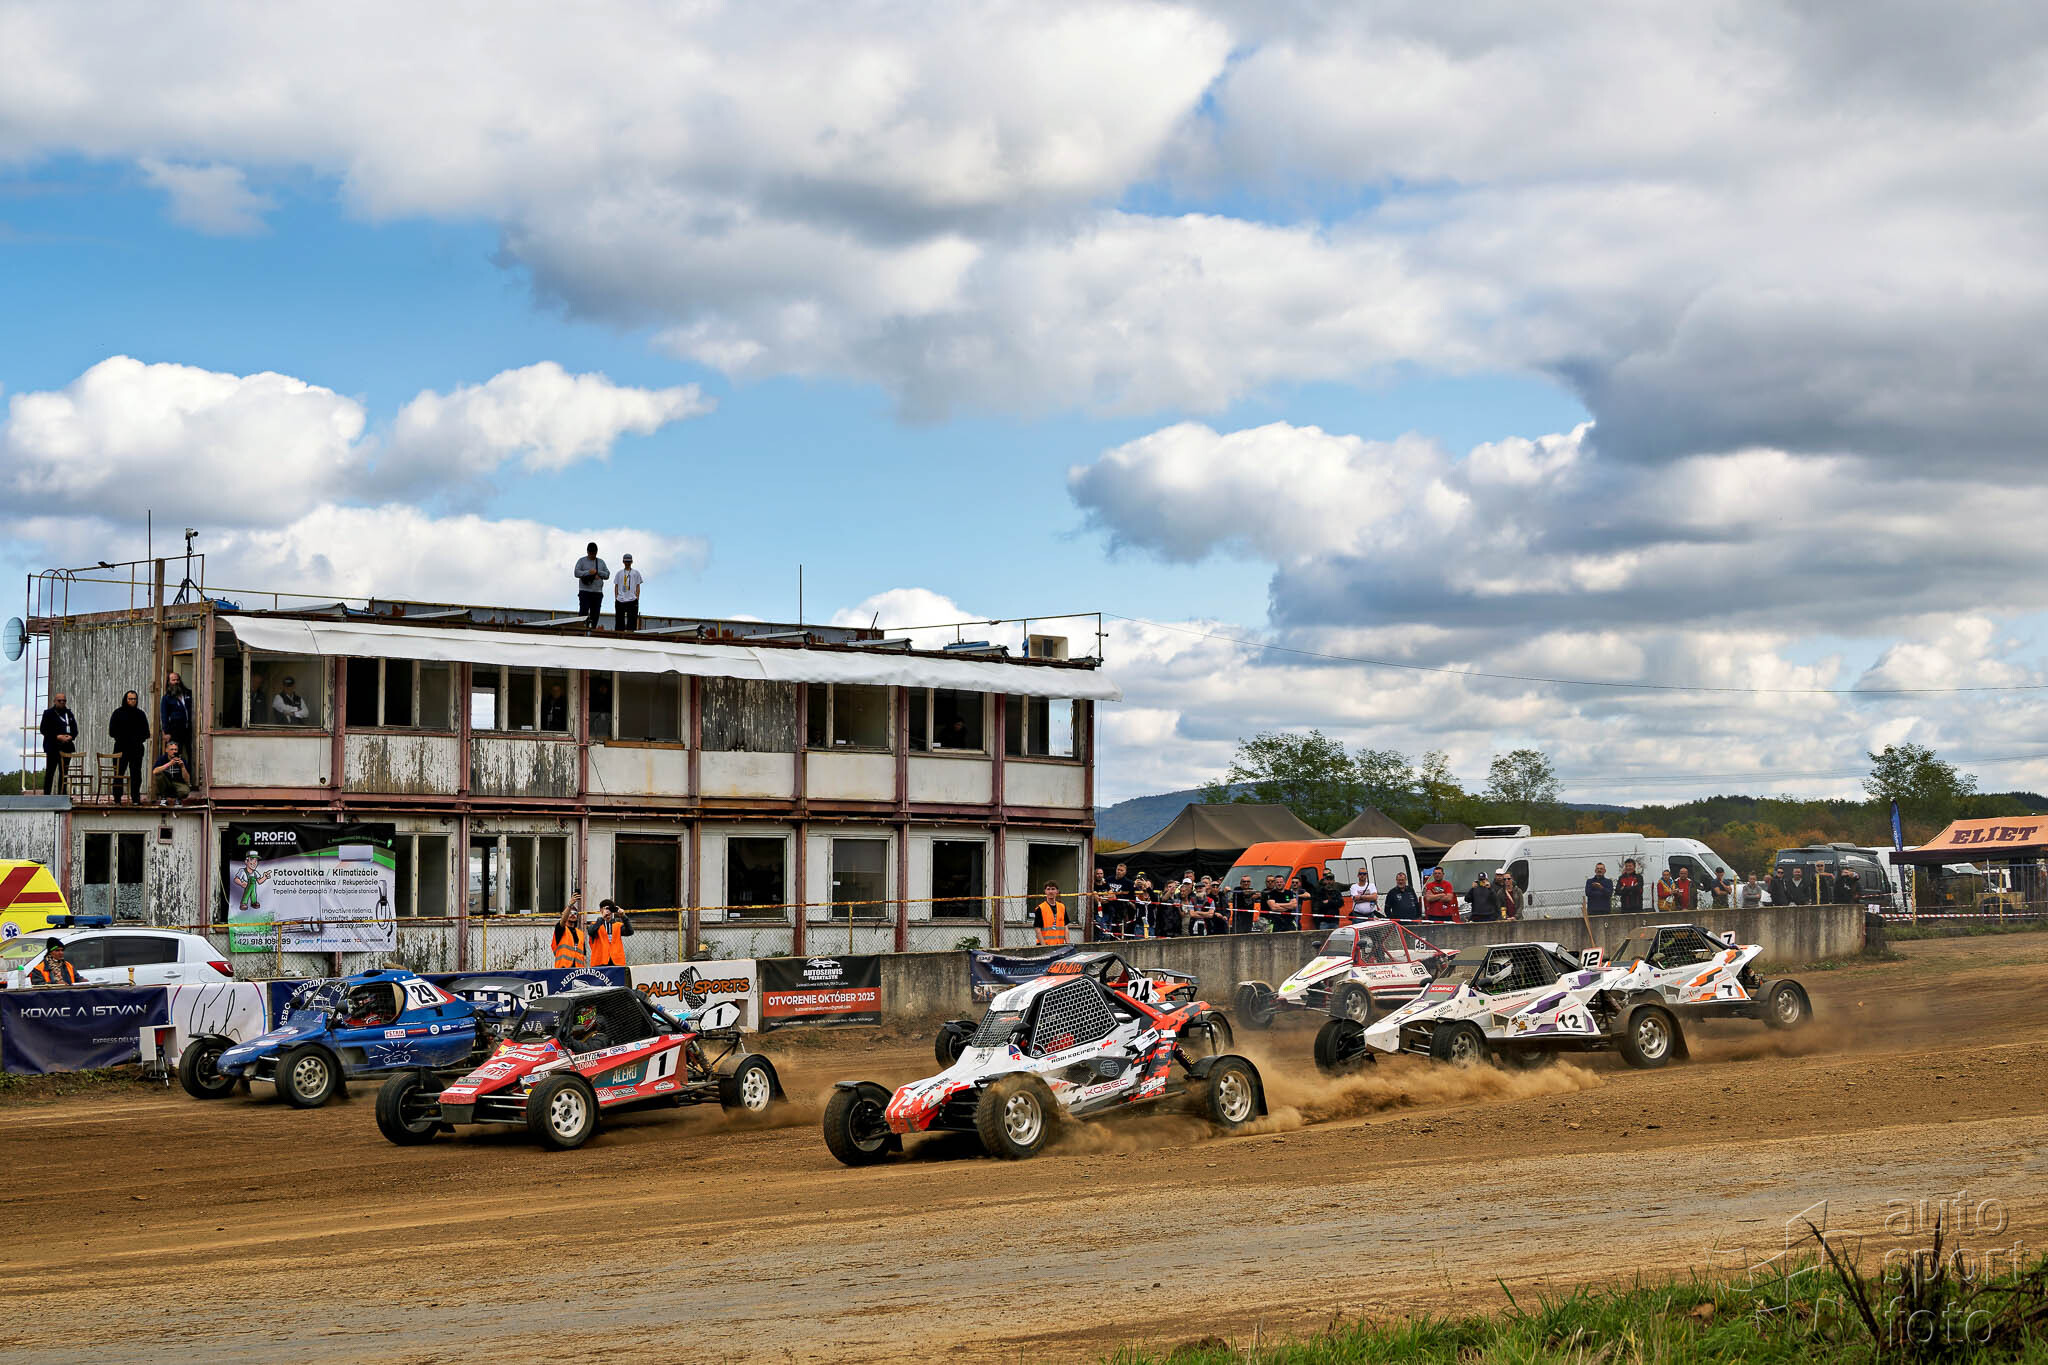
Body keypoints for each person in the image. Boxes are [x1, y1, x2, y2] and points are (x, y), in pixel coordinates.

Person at [108, 690, 150, 805]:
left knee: (136, 774)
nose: (132, 701)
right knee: (118, 773)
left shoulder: (140, 714)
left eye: (134, 699)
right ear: (125, 699)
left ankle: (136, 799)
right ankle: (117, 799)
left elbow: (146, 733)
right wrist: (124, 737)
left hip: (136, 749)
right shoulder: (118, 713)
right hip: (120, 748)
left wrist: (137, 739)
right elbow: (112, 731)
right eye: (130, 699)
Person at [39, 691, 79, 795]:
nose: (62, 702)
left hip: (66, 747)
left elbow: (75, 729)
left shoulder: (69, 713)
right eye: (59, 700)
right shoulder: (48, 713)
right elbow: (43, 729)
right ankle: (47, 794)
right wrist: (57, 736)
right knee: (50, 772)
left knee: (64, 772)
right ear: (55, 701)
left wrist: (71, 736)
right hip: (53, 747)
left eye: (64, 700)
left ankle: (62, 794)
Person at [161, 670, 195, 775]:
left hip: (189, 729)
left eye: (177, 679)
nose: (176, 682)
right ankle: (175, 777)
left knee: (191, 753)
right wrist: (166, 732)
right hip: (175, 730)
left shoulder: (188, 694)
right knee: (175, 754)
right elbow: (164, 716)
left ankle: (189, 777)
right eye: (173, 680)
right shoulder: (167, 698)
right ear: (169, 682)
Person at [589, 898, 635, 967]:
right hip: (600, 962)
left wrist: (623, 916)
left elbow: (630, 931)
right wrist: (603, 918)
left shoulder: (617, 925)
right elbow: (591, 932)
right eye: (606, 908)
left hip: (616, 962)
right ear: (601, 910)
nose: (608, 911)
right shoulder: (595, 925)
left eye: (610, 909)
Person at [575, 542, 610, 629]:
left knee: (595, 614)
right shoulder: (581, 561)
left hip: (597, 592)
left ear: (596, 552)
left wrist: (598, 572)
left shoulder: (601, 562)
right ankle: (581, 630)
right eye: (590, 553)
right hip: (584, 591)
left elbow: (607, 575)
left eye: (594, 553)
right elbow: (576, 573)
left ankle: (593, 630)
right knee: (583, 612)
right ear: (587, 551)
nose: (592, 555)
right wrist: (588, 572)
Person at [552, 898, 590, 968]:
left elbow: (583, 955)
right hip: (563, 968)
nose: (572, 915)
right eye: (570, 913)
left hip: (578, 969)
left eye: (575, 913)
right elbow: (563, 921)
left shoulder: (580, 934)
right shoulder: (560, 929)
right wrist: (569, 906)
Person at [614, 553, 644, 632]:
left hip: (632, 600)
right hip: (620, 600)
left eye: (629, 561)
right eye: (626, 561)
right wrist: (616, 597)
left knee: (632, 623)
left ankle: (630, 637)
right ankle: (619, 636)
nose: (627, 563)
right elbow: (616, 585)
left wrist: (637, 597)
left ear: (632, 562)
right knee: (619, 622)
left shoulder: (636, 573)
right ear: (623, 561)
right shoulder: (619, 573)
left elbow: (638, 586)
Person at [1034, 882, 1069, 946]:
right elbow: (1037, 930)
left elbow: (1065, 927)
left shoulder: (1062, 907)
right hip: (1045, 945)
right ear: (1045, 891)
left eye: (1053, 889)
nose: (1050, 891)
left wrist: (1068, 944)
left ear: (1057, 891)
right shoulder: (1040, 908)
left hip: (1059, 945)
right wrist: (1044, 946)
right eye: (1048, 889)